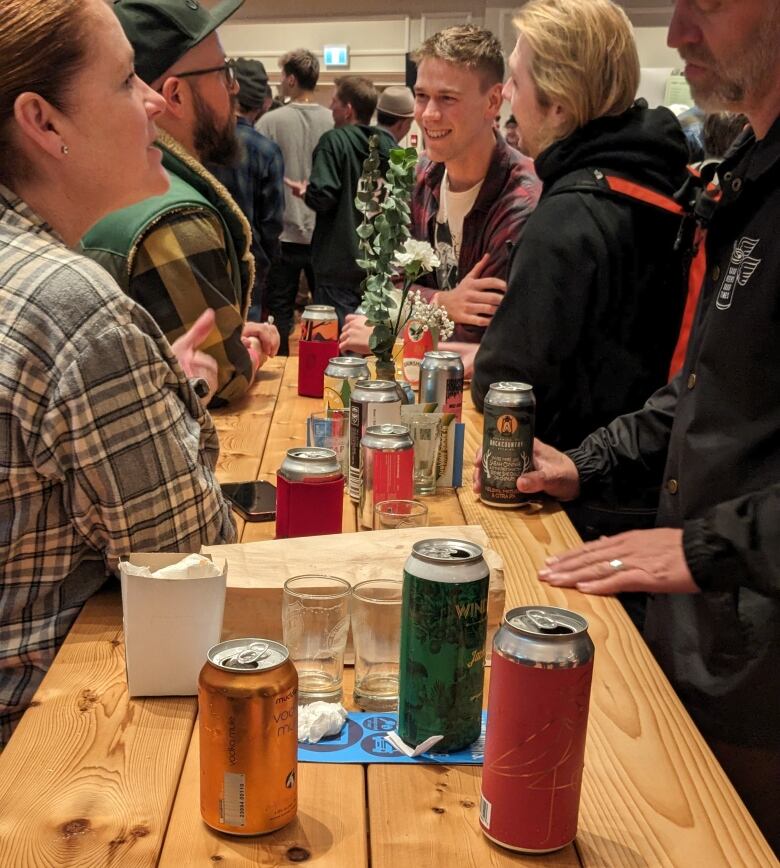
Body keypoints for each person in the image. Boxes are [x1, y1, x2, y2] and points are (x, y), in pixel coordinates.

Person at [479, 0, 780, 848]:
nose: (678, 33)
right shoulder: (743, 173)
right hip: (697, 615)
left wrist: (706, 546)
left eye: (708, 5)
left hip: (753, 651)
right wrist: (588, 460)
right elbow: (700, 389)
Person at [0, 0, 236, 747]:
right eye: (128, 79)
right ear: (43, 123)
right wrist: (166, 396)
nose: (155, 102)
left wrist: (146, 381)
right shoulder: (71, 306)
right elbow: (195, 556)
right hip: (41, 741)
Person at [472, 0, 690, 539]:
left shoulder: (569, 215)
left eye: (516, 86)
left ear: (560, 109)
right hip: (658, 483)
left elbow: (506, 381)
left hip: (579, 501)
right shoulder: (668, 182)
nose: (508, 107)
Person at [80, 0, 279, 406]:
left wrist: (231, 340)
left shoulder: (115, 186)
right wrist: (245, 355)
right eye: (224, 73)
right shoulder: (175, 216)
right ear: (172, 95)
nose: (235, 87)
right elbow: (220, 378)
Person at [339, 25, 540, 367]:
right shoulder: (417, 176)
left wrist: (389, 331)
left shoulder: (523, 195)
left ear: (493, 101)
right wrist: (444, 303)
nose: (428, 114)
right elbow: (380, 292)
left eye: (447, 98)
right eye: (421, 96)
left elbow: (483, 335)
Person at [287, 76, 393, 327]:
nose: (330, 108)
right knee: (371, 342)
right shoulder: (388, 144)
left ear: (348, 110)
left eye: (334, 102)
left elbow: (324, 195)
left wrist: (305, 192)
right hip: (378, 262)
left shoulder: (333, 141)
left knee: (336, 347)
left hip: (339, 263)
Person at [257, 49, 333, 354]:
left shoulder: (269, 122)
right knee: (326, 315)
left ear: (290, 79)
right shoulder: (334, 121)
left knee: (280, 313)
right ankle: (329, 371)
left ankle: (277, 375)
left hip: (282, 233)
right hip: (322, 233)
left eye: (280, 77)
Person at [208, 58, 284, 322]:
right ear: (263, 102)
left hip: (206, 261)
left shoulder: (202, 144)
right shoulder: (267, 151)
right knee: (247, 342)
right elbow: (272, 221)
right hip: (250, 264)